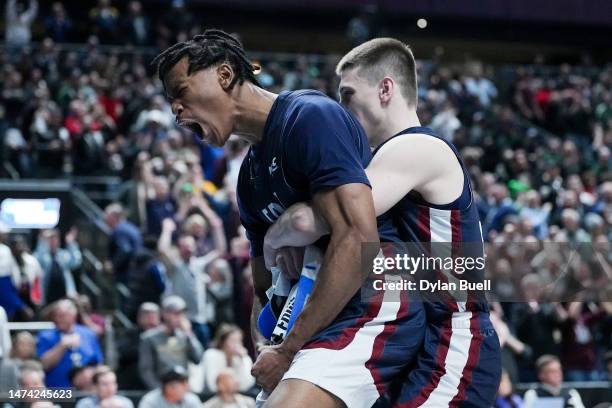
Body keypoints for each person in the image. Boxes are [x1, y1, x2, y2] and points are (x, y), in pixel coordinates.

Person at [153, 29, 423, 408]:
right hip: (317, 322)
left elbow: (359, 238)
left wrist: (289, 347)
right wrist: (267, 346)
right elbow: (264, 289)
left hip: (373, 302)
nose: (175, 110)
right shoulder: (249, 179)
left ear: (225, 75)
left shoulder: (310, 117)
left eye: (180, 92)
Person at [263, 38, 501, 407]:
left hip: (453, 336)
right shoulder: (381, 159)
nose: (341, 108)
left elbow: (317, 220)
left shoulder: (417, 147)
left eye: (347, 94)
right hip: (411, 334)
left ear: (386, 88)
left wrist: (273, 237)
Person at [158, 218, 217, 348]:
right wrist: (167, 230)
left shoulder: (199, 264)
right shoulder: (175, 265)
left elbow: (219, 250)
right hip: (180, 320)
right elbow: (162, 250)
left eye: (190, 245)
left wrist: (217, 228)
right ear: (179, 248)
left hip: (200, 320)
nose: (188, 249)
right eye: (184, 246)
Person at [138, 296, 203, 390]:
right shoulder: (149, 338)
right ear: (165, 314)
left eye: (182, 314)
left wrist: (189, 334)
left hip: (182, 388)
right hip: (161, 389)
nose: (179, 318)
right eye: (176, 313)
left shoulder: (185, 336)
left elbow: (198, 358)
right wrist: (159, 391)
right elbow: (146, 370)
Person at [37, 299, 103, 387]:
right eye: (56, 316)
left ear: (73, 316)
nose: (58, 319)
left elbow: (98, 363)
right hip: (58, 392)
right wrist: (62, 345)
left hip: (86, 391)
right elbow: (43, 365)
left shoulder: (88, 334)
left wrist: (89, 374)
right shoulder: (46, 336)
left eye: (62, 316)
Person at [198, 324, 254, 395]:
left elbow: (246, 385)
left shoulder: (242, 358)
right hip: (209, 395)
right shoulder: (210, 354)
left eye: (239, 340)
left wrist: (243, 360)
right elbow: (212, 386)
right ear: (222, 342)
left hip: (233, 395)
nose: (237, 344)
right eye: (233, 340)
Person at [117, 303, 160, 390]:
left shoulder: (163, 334)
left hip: (158, 382)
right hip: (133, 382)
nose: (150, 319)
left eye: (153, 316)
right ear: (139, 317)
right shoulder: (130, 333)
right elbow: (124, 354)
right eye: (146, 315)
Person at [34, 228, 81, 305]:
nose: (53, 241)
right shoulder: (42, 256)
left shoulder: (63, 255)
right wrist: (42, 241)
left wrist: (71, 243)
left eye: (55, 238)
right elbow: (36, 260)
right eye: (50, 239)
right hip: (47, 296)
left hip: (64, 296)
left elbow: (76, 262)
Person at [104, 203, 143, 283]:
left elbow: (125, 250)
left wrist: (112, 265)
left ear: (113, 217)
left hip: (126, 274)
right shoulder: (131, 227)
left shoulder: (120, 230)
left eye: (107, 215)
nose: (104, 218)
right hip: (136, 271)